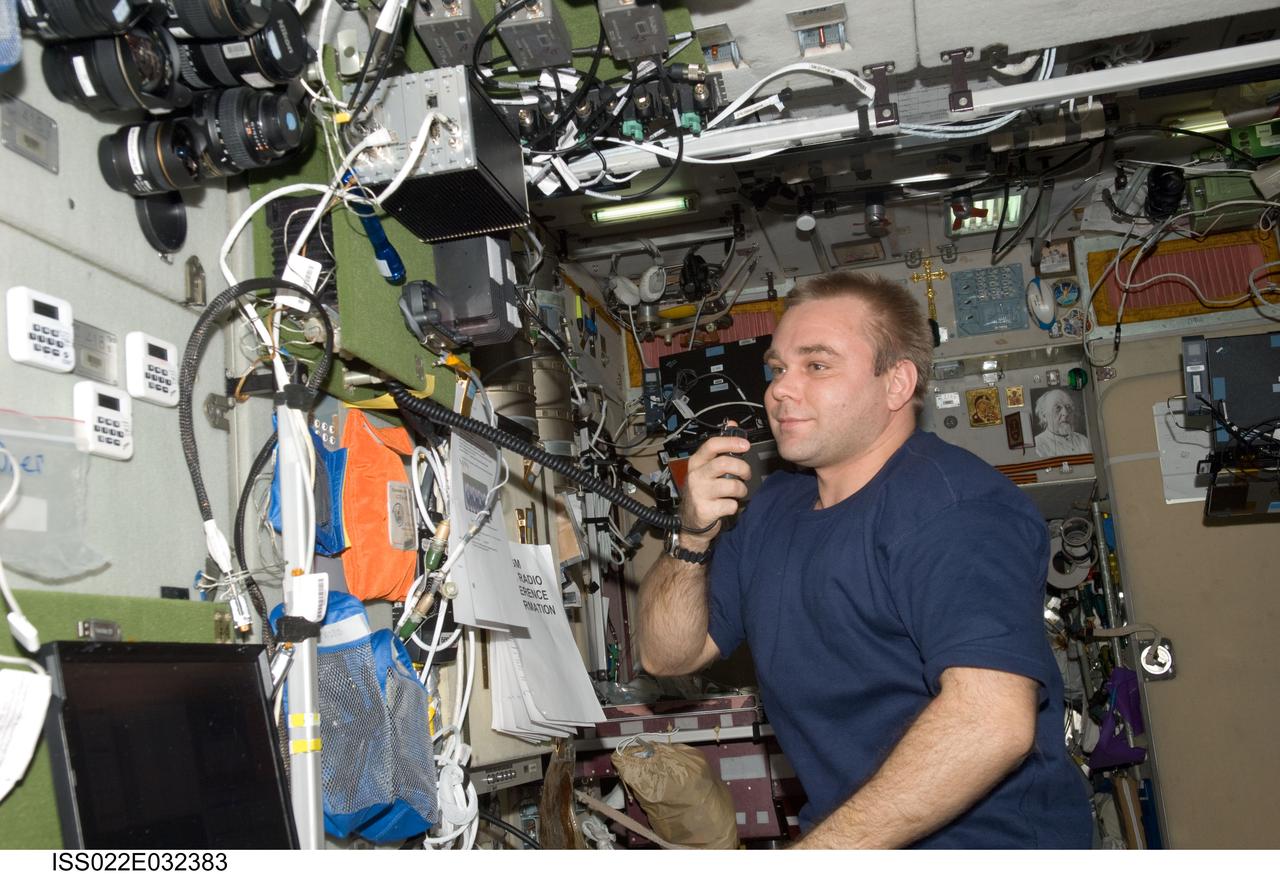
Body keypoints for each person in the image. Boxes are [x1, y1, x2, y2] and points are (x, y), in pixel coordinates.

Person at [637, 272, 1092, 849]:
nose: (779, 389)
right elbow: (667, 655)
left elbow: (991, 722)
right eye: (777, 369)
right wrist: (693, 534)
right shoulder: (772, 506)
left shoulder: (956, 508)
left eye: (817, 365)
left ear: (896, 383)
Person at [1033, 388, 1090, 458]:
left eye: (1068, 407)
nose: (1065, 413)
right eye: (1058, 408)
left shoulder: (1083, 440)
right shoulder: (1037, 445)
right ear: (1044, 416)